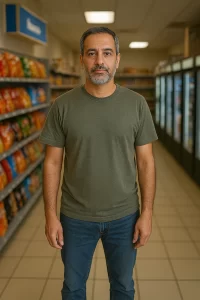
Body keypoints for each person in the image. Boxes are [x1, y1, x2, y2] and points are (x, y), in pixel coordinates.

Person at [39, 27, 158, 300]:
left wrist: (147, 213)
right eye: (92, 53)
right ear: (82, 58)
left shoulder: (137, 104)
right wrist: (50, 214)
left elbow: (146, 162)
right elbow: (52, 164)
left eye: (107, 53)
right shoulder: (62, 106)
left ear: (117, 59)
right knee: (72, 288)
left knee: (123, 287)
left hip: (125, 216)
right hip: (75, 217)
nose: (99, 61)